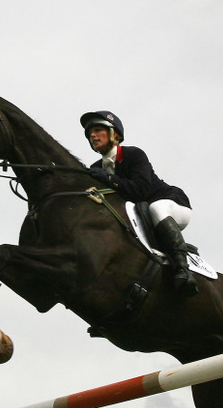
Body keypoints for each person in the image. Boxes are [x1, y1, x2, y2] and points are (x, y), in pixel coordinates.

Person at [81, 110, 198, 296]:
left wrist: (108, 178)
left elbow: (139, 191)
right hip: (142, 217)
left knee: (155, 207)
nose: (92, 136)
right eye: (89, 134)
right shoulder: (97, 168)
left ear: (115, 134)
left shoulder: (134, 155)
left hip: (172, 204)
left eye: (97, 130)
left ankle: (182, 268)